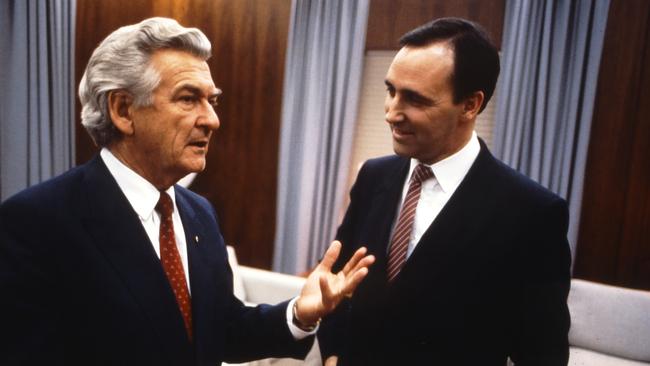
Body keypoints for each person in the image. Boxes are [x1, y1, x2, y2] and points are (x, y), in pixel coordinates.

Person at [0, 17, 374, 366]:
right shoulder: (36, 222)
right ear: (124, 110)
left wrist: (298, 314)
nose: (212, 119)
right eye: (188, 98)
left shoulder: (199, 213)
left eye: (211, 100)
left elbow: (220, 327)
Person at [318, 17, 571, 365]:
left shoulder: (532, 213)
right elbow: (333, 285)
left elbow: (543, 356)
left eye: (414, 99)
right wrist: (332, 356)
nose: (392, 113)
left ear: (470, 105)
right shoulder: (373, 176)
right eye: (391, 91)